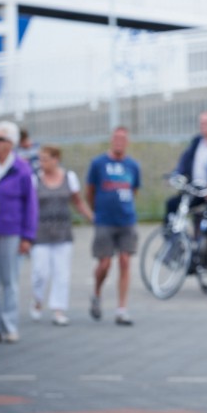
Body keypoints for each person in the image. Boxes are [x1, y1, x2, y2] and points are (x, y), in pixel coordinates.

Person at [31, 145, 94, 326]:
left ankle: (58, 309)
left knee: (62, 273)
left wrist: (91, 217)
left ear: (56, 159)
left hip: (62, 232)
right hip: (41, 232)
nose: (42, 163)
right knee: (39, 272)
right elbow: (30, 207)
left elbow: (77, 202)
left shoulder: (69, 178)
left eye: (45, 159)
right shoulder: (35, 179)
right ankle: (37, 300)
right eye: (40, 159)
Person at [86, 126, 141, 326]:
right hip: (104, 221)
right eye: (116, 138)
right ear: (111, 140)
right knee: (105, 263)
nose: (119, 142)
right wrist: (95, 212)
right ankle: (96, 293)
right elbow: (90, 190)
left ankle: (121, 308)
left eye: (123, 139)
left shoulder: (133, 166)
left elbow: (134, 191)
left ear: (127, 142)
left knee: (125, 261)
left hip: (126, 220)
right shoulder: (98, 164)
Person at [0, 121, 38, 344]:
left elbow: (31, 204)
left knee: (9, 279)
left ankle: (9, 325)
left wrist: (28, 236)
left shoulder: (21, 169)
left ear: (10, 144)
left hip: (11, 230)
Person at [165, 111, 207, 222]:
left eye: (206, 123)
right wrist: (175, 175)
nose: (202, 126)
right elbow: (184, 162)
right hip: (194, 189)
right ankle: (172, 237)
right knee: (172, 205)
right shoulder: (196, 142)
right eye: (201, 123)